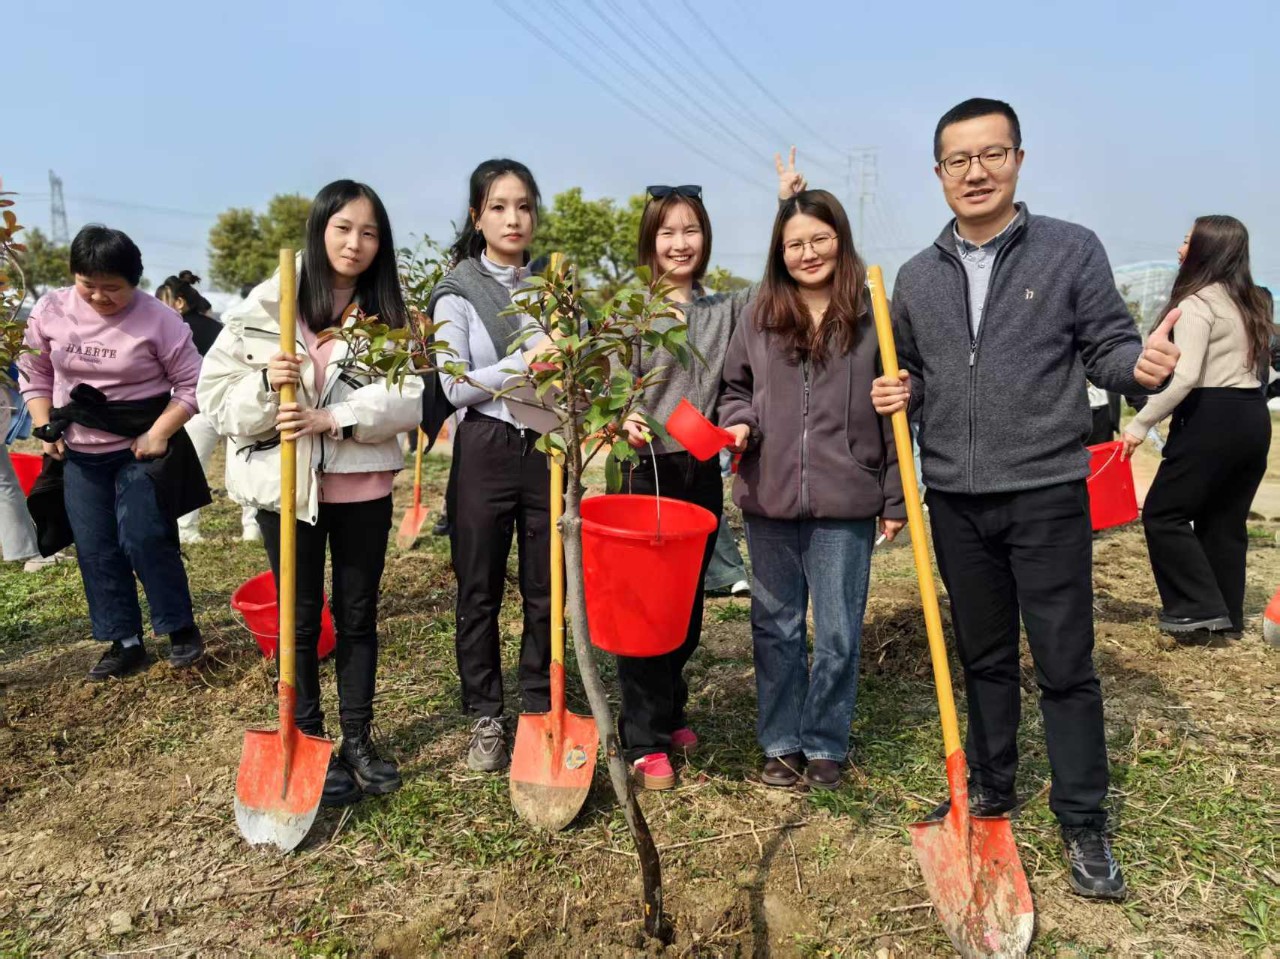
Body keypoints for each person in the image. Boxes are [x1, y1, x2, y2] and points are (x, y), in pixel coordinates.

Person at [870, 98, 1180, 901]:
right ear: (937, 173)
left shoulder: (1069, 251)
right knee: (984, 658)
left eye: (991, 155)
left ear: (1018, 158)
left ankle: (1083, 817)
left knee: (1067, 662)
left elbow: (1106, 343)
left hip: (1045, 489)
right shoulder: (915, 275)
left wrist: (1135, 366)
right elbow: (921, 375)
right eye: (957, 160)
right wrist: (900, 388)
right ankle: (993, 787)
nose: (975, 172)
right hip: (958, 501)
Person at [198, 180, 422, 806]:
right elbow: (215, 401)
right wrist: (268, 385)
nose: (355, 243)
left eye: (370, 232)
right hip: (286, 487)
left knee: (356, 615)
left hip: (361, 487)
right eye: (343, 228)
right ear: (319, 230)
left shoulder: (388, 317)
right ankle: (306, 734)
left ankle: (357, 737)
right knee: (298, 618)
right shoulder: (264, 308)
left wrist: (336, 417)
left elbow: (409, 399)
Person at [616, 153, 804, 790]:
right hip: (643, 473)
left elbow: (777, 283)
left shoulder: (724, 310)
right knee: (646, 609)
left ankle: (669, 712)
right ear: (650, 240)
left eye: (690, 230)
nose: (679, 242)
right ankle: (642, 738)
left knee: (688, 607)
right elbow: (604, 386)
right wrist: (621, 416)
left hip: (697, 469)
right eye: (667, 231)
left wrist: (788, 209)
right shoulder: (628, 311)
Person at [720, 189, 905, 791]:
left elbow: (899, 409)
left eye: (819, 239)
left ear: (840, 239)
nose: (808, 252)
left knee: (839, 630)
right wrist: (741, 421)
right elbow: (733, 389)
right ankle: (781, 742)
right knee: (775, 626)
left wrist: (897, 498)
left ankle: (826, 741)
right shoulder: (759, 313)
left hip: (847, 498)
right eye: (795, 243)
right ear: (780, 250)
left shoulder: (872, 312)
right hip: (768, 495)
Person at [18, 225, 207, 678]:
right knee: (96, 547)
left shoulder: (160, 320)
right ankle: (124, 641)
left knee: (143, 535)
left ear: (135, 282)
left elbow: (194, 383)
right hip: (81, 449)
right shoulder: (50, 310)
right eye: (89, 285)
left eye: (112, 288)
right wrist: (45, 425)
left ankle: (179, 627)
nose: (100, 297)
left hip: (141, 446)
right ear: (73, 276)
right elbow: (34, 370)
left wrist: (160, 431)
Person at [428, 159, 559, 773]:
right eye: (500, 206)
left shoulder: (552, 287)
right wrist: (528, 363)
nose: (514, 218)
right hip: (482, 447)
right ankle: (486, 712)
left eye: (524, 206)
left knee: (545, 584)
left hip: (545, 449)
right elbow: (453, 387)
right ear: (478, 215)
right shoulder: (456, 290)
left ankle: (539, 703)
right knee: (477, 586)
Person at [1122, 216, 1273, 637]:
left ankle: (1196, 608)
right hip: (1252, 417)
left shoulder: (1196, 304)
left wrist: (1139, 425)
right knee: (1225, 522)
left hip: (1212, 415)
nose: (1179, 249)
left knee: (1163, 513)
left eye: (1187, 242)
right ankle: (1227, 619)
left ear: (1207, 250)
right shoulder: (1253, 303)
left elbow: (1186, 378)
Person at [155, 271, 259, 543]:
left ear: (178, 302)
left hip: (197, 408)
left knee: (190, 469)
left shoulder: (174, 330)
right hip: (235, 404)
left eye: (161, 301)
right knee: (246, 464)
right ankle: (252, 528)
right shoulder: (218, 328)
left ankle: (187, 531)